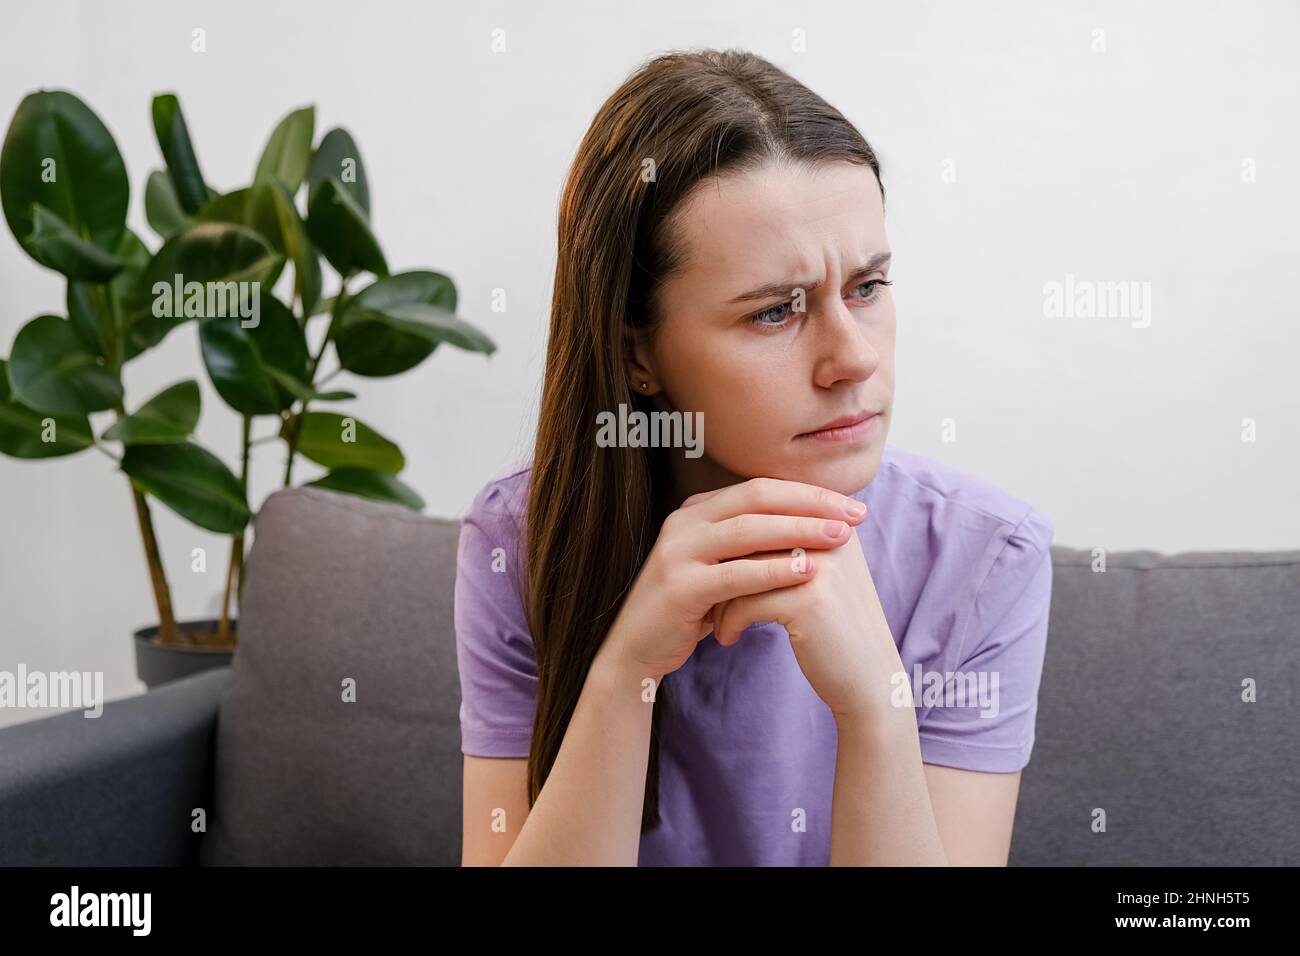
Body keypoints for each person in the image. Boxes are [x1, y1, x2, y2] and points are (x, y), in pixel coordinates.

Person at [456, 48, 1054, 866]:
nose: (853, 361)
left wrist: (875, 714)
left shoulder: (984, 559)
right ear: (639, 352)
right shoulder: (518, 542)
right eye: (776, 312)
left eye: (868, 287)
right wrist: (626, 668)